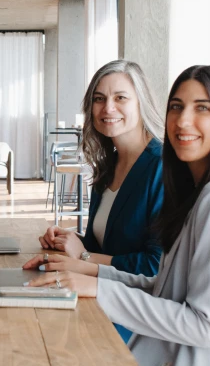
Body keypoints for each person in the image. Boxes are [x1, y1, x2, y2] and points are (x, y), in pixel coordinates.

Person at [25, 65, 210, 365]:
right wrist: (84, 275)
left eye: (202, 108)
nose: (182, 120)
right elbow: (162, 287)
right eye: (176, 107)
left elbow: (203, 325)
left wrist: (93, 278)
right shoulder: (203, 189)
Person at [41, 60, 165, 341]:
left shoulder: (161, 167)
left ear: (141, 102)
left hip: (134, 317)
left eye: (120, 97)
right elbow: (105, 244)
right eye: (99, 99)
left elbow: (155, 268)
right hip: (97, 298)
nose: (108, 108)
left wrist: (83, 256)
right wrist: (69, 240)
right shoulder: (108, 165)